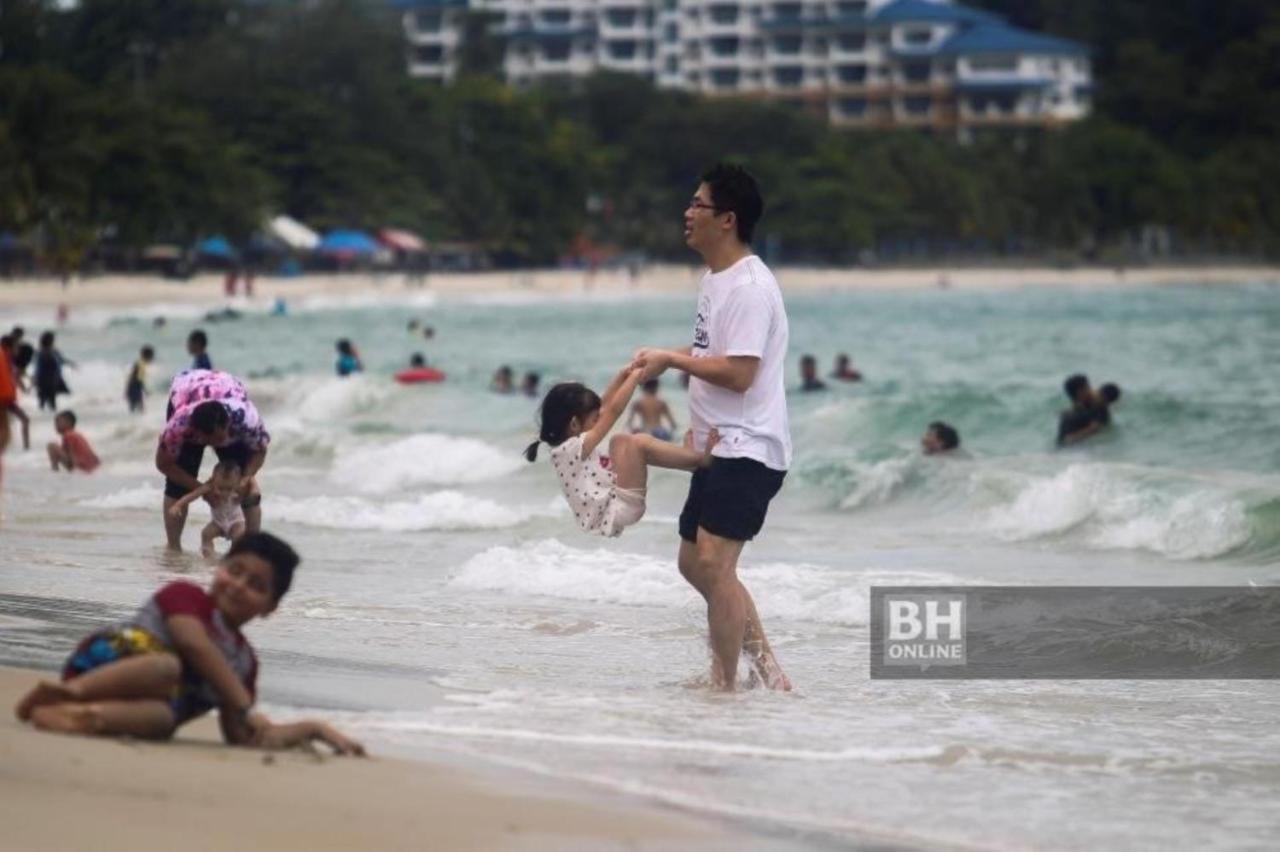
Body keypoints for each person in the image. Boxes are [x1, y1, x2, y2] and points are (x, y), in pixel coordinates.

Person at [631, 163, 791, 691]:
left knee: (713, 563)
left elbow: (741, 374)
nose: (687, 212)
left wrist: (673, 363)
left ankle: (723, 687)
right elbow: (710, 354)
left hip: (751, 446)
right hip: (718, 444)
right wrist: (663, 357)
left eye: (697, 204)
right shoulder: (715, 279)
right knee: (693, 563)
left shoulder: (749, 287)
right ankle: (770, 673)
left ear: (727, 219)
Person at [13, 532, 364, 756]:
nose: (239, 585)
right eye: (235, 570)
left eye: (256, 585)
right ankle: (68, 694)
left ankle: (76, 717)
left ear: (270, 607)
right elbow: (193, 644)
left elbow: (242, 735)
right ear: (219, 568)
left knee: (164, 720)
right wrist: (242, 702)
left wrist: (314, 729)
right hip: (100, 669)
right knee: (165, 667)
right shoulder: (187, 596)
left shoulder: (244, 663)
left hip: (146, 703)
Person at [525, 370, 717, 538]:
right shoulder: (571, 449)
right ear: (574, 424)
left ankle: (691, 462)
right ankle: (702, 460)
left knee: (628, 442)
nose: (598, 421)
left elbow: (604, 404)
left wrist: (623, 375)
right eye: (594, 419)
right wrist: (634, 380)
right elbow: (613, 411)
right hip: (620, 507)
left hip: (616, 502)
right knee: (631, 442)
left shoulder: (565, 447)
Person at [156, 370, 269, 551]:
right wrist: (201, 489)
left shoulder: (246, 420)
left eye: (217, 439)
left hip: (227, 386)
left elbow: (260, 451)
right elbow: (163, 464)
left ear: (228, 426)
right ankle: (173, 547)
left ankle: (250, 550)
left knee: (244, 485)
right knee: (177, 485)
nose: (213, 445)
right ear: (194, 433)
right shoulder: (178, 428)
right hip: (185, 387)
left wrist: (247, 477)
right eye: (206, 440)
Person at [167, 461, 255, 557]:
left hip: (236, 521)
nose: (224, 493)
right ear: (213, 480)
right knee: (206, 534)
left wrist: (253, 491)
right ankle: (209, 556)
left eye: (229, 489)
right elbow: (193, 495)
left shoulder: (240, 488)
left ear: (238, 482)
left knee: (239, 537)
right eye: (220, 488)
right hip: (218, 522)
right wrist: (178, 505)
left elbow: (252, 485)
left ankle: (233, 557)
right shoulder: (209, 487)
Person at [1, 334, 30, 450]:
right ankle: (26, 448)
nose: (18, 350)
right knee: (6, 428)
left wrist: (23, 387)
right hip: (3, 399)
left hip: (8, 399)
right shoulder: (4, 359)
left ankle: (26, 449)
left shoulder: (9, 361)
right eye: (16, 347)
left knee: (24, 420)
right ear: (8, 348)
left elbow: (15, 376)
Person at [34, 330, 74, 411]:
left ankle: (47, 417)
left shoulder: (53, 351)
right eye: (52, 339)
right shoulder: (42, 352)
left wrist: (71, 364)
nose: (53, 341)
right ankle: (43, 418)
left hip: (53, 380)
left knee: (50, 401)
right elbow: (38, 368)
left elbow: (61, 360)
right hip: (44, 381)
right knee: (44, 401)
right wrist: (35, 379)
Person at [125, 345, 156, 413]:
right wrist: (145, 390)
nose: (152, 359)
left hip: (132, 388)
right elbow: (139, 380)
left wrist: (127, 390)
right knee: (140, 409)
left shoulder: (138, 363)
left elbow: (131, 377)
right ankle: (135, 422)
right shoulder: (142, 365)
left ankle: (132, 422)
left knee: (133, 408)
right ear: (148, 356)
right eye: (151, 357)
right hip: (135, 389)